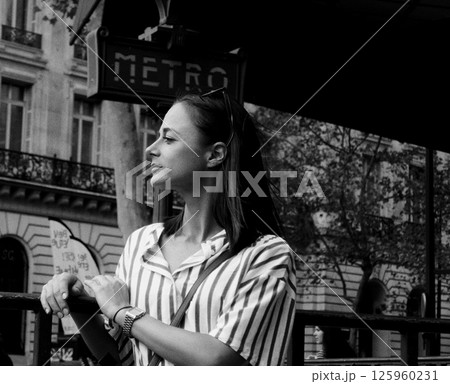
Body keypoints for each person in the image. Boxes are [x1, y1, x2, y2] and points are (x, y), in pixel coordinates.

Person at [40, 88, 297, 366]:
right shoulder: (142, 242)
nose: (151, 149)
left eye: (169, 138)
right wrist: (80, 304)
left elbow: (219, 359)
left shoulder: (267, 254)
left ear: (215, 155)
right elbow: (119, 356)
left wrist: (121, 310)